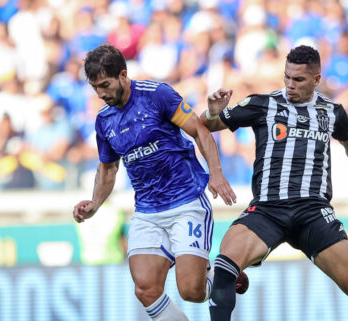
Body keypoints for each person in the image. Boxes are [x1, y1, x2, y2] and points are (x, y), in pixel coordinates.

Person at [202, 45, 348, 321]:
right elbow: (203, 127)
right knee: (224, 265)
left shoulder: (332, 112)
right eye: (287, 77)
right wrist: (211, 114)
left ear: (316, 79)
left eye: (299, 79)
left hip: (313, 212)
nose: (290, 85)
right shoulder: (263, 104)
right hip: (268, 210)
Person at [72, 44, 241, 321]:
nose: (101, 94)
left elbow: (199, 130)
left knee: (191, 291)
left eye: (105, 85)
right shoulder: (104, 121)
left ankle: (222, 275)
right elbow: (108, 168)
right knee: (146, 289)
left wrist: (216, 173)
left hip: (186, 201)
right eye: (95, 88)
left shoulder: (157, 95)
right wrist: (95, 204)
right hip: (147, 213)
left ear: (123, 75)